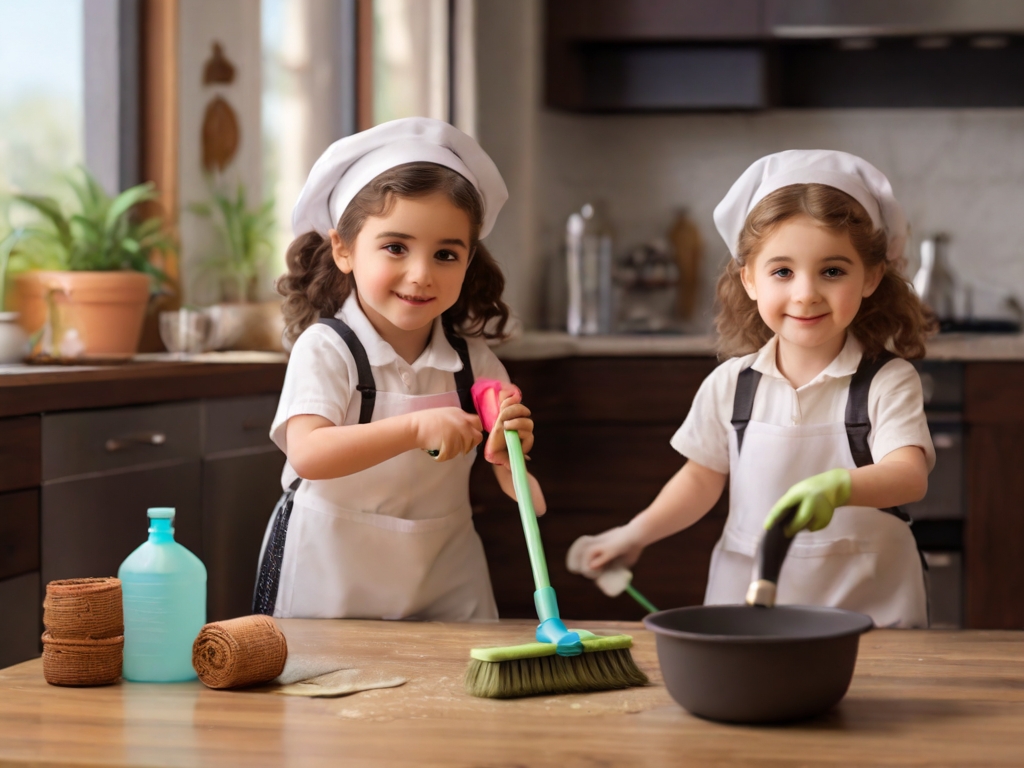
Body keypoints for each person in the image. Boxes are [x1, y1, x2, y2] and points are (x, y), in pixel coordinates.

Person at [567, 150, 936, 628]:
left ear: (870, 277)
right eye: (782, 271)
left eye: (832, 271)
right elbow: (700, 479)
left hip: (870, 606)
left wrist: (840, 484)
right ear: (750, 279)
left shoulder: (886, 381)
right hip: (748, 602)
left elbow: (909, 475)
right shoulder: (731, 385)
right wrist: (634, 535)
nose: (805, 293)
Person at [254, 117, 542, 622]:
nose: (421, 274)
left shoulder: (473, 362)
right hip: (331, 573)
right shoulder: (326, 349)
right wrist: (414, 428)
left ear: (469, 261)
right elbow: (308, 454)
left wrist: (509, 452)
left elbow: (528, 501)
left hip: (446, 571)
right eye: (395, 247)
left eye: (446, 254)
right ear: (343, 248)